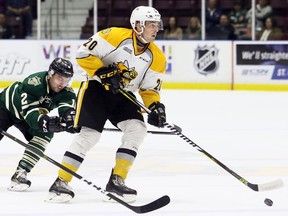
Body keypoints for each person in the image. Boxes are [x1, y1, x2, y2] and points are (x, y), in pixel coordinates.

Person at [46, 5, 167, 203]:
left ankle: (116, 181)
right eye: (151, 25)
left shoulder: (157, 57)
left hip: (124, 95)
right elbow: (83, 54)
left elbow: (149, 89)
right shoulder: (114, 36)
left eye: (156, 25)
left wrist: (156, 107)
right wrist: (103, 72)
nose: (155, 29)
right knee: (90, 135)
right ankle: (61, 182)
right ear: (137, 25)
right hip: (96, 89)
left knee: (137, 129)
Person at [0, 57, 78, 191]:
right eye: (59, 78)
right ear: (50, 74)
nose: (62, 83)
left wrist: (71, 121)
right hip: (5, 108)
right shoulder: (34, 83)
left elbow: (67, 109)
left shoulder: (66, 92)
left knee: (46, 132)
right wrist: (46, 122)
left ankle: (20, 174)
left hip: (25, 117)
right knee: (44, 125)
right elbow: (31, 115)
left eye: (66, 79)